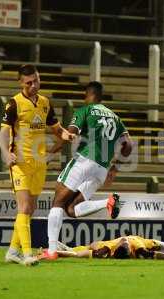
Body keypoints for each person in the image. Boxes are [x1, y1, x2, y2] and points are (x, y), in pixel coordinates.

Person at [40, 81, 133, 260]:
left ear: (87, 95)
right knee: (71, 209)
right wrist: (115, 168)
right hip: (102, 169)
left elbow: (68, 134)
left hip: (85, 160)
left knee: (58, 201)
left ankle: (51, 250)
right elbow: (128, 145)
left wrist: (50, 155)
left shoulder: (85, 110)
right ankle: (108, 202)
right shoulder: (115, 117)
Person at [0, 64, 74, 266]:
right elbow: (3, 134)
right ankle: (27, 254)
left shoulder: (45, 103)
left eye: (36, 80)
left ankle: (12, 252)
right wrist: (6, 153)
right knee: (23, 207)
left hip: (39, 164)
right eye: (29, 82)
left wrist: (67, 135)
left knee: (29, 209)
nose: (33, 85)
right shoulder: (13, 104)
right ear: (21, 83)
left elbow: (57, 130)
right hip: (20, 164)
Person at [49, 234, 164, 261]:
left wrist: (56, 253)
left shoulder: (106, 250)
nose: (124, 240)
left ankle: (67, 247)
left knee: (91, 246)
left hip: (99, 247)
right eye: (126, 244)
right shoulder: (142, 250)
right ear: (130, 250)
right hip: (149, 242)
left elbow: (78, 256)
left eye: (124, 243)